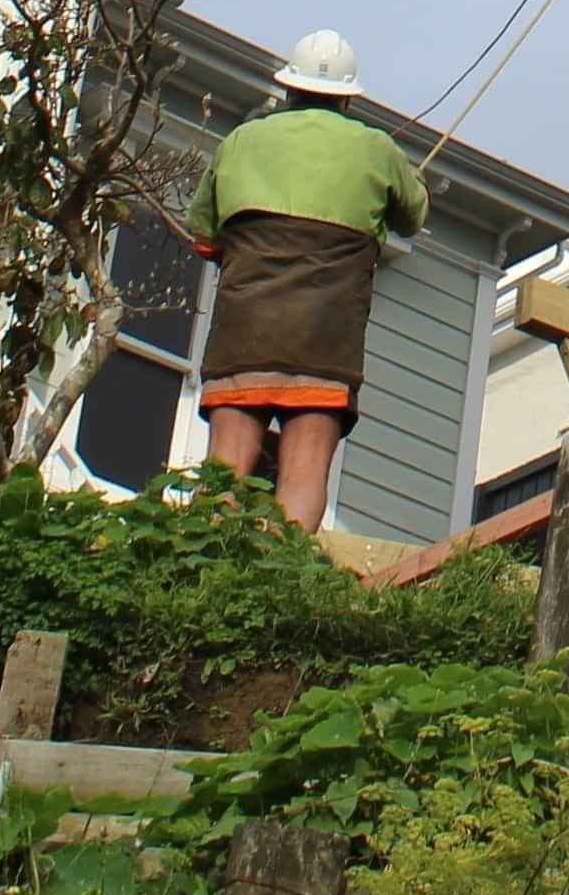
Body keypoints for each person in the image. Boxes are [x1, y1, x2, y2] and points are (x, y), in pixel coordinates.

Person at [181, 29, 428, 529]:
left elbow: (204, 237)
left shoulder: (243, 140)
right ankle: (285, 566)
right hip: (326, 338)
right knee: (305, 473)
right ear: (347, 98)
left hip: (244, 330)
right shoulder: (377, 148)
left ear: (289, 88)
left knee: (225, 466)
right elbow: (412, 218)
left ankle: (202, 562)